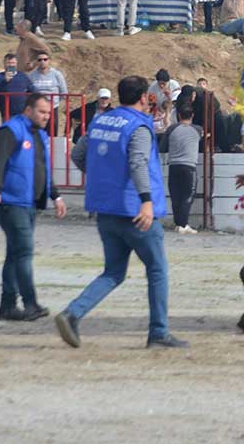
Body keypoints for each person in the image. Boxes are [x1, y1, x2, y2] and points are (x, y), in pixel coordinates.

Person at [55, 75, 187, 349]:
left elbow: (78, 156)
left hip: (105, 210)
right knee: (157, 268)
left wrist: (106, 177)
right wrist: (146, 201)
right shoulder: (138, 126)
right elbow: (137, 163)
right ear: (142, 98)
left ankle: (73, 313)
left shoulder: (100, 121)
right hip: (134, 210)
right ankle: (159, 331)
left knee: (113, 272)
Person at [0, 93, 66, 321]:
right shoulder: (10, 131)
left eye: (48, 113)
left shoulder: (39, 134)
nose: (47, 117)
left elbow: (42, 167)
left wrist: (55, 196)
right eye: (42, 112)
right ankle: (30, 304)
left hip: (28, 202)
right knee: (25, 251)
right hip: (10, 202)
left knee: (15, 253)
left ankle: (7, 307)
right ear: (28, 110)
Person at [162, 103, 201, 234]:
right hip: (189, 166)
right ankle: (183, 224)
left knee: (175, 196)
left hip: (173, 166)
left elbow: (163, 147)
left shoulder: (171, 129)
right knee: (187, 196)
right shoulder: (197, 129)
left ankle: (178, 223)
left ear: (178, 115)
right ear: (193, 116)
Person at [26, 51, 67, 135]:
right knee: (37, 133)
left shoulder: (56, 74)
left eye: (45, 59)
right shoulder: (31, 75)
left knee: (52, 133)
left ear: (49, 61)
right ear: (37, 62)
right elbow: (28, 91)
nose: (42, 62)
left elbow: (64, 92)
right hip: (38, 109)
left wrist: (56, 103)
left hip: (52, 107)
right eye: (40, 60)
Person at [0, 53, 34, 120]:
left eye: (13, 63)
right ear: (4, 63)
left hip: (23, 113)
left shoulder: (23, 76)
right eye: (8, 63)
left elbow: (32, 89)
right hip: (7, 113)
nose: (11, 65)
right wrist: (5, 81)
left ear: (16, 63)